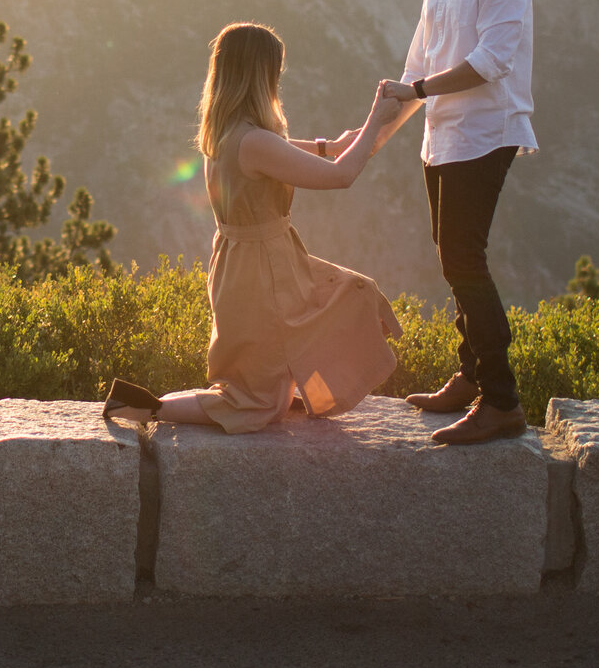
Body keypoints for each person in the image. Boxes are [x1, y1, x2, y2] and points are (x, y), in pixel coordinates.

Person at [104, 22, 408, 433]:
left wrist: (332, 145)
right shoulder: (255, 143)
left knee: (353, 292)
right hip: (263, 272)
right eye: (275, 74)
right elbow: (340, 176)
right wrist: (376, 119)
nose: (278, 82)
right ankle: (145, 406)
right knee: (256, 405)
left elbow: (302, 152)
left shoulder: (231, 135)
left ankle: (277, 387)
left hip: (251, 263)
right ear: (259, 76)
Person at [377, 0, 537, 447]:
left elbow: (493, 59)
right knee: (453, 258)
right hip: (441, 135)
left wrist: (416, 92)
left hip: (485, 133)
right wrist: (372, 135)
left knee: (464, 261)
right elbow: (417, 65)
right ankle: (471, 377)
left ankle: (502, 401)